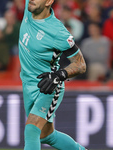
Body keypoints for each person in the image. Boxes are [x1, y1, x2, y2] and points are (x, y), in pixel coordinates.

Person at [19, 0, 87, 150]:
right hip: (28, 84)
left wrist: (59, 75)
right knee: (46, 135)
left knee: (31, 130)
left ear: (49, 1)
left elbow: (80, 64)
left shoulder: (57, 31)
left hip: (48, 86)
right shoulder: (29, 8)